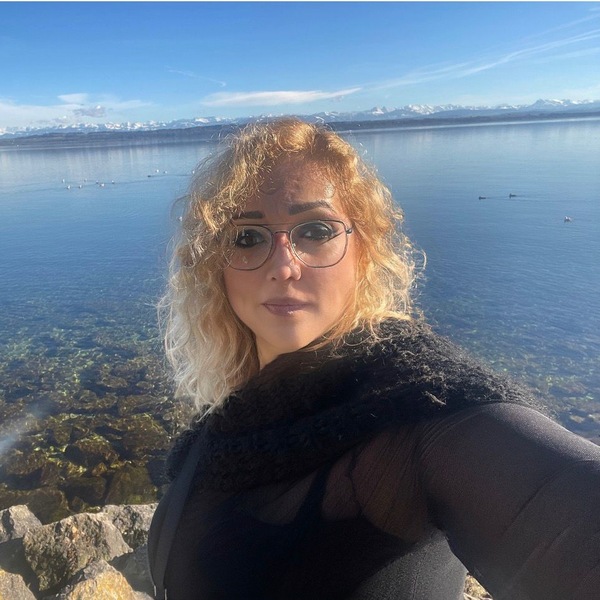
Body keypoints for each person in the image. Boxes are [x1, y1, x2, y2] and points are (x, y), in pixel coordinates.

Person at [148, 118, 600, 600]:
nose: (283, 266)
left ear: (362, 250)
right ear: (215, 263)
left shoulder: (415, 403)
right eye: (247, 237)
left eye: (315, 230)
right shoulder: (225, 423)